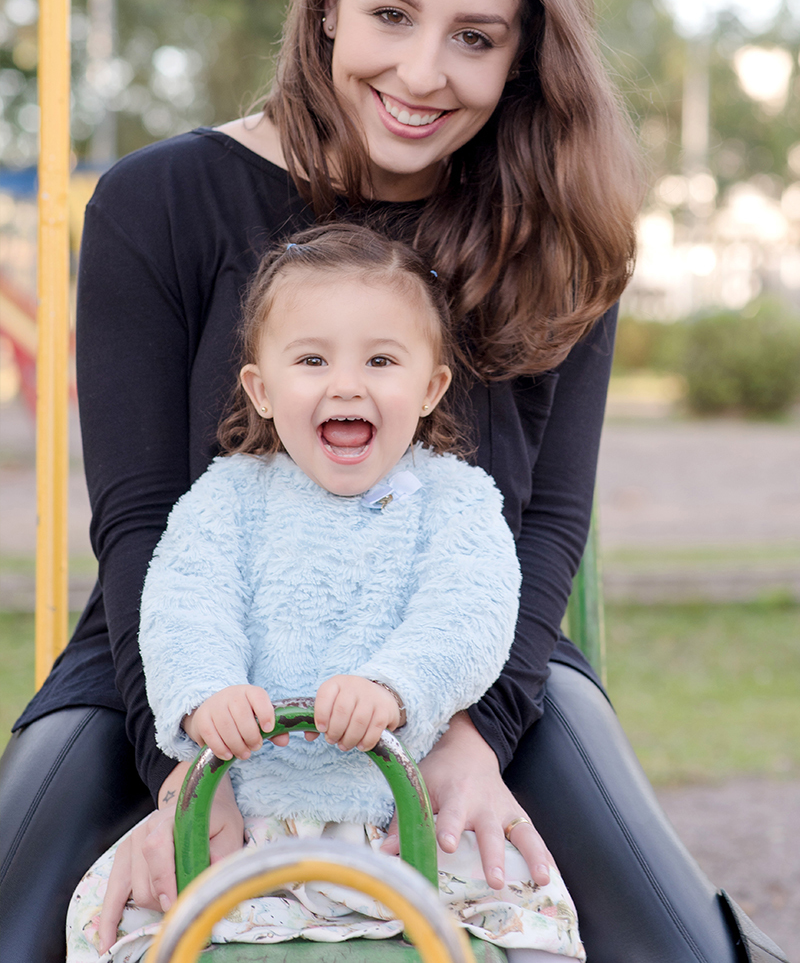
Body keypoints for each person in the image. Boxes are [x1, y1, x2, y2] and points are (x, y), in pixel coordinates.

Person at [5, 0, 773, 963]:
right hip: (186, 653)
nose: (421, 73)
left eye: (474, 38)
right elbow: (140, 522)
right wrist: (180, 763)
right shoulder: (156, 202)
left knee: (671, 942)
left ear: (522, 56)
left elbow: (546, 523)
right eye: (390, 15)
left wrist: (477, 729)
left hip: (472, 650)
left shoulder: (558, 228)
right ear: (327, 4)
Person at [65, 223, 585, 962]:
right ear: (264, 389)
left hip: (407, 820)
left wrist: (396, 686)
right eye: (312, 360)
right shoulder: (228, 499)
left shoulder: (456, 501)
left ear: (431, 387)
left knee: (528, 912)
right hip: (250, 812)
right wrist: (206, 693)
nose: (346, 384)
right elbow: (184, 601)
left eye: (380, 359)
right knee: (113, 924)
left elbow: (470, 612)